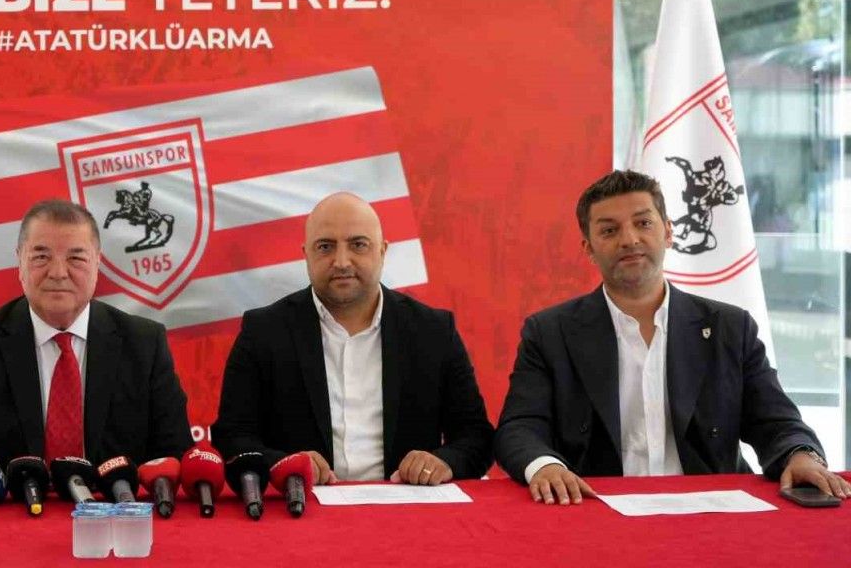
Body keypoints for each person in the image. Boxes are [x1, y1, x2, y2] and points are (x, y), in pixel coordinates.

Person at [495, 170, 849, 505]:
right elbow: (520, 427)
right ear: (588, 248)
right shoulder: (550, 333)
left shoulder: (729, 327)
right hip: (595, 507)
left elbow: (776, 421)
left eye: (643, 223)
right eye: (609, 230)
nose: (629, 239)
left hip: (710, 508)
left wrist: (800, 455)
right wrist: (546, 466)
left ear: (668, 232)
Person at [212, 192, 493, 484]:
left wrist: (444, 462)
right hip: (303, 504)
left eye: (358, 244)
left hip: (408, 504)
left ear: (382, 251)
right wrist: (283, 465)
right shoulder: (264, 332)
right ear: (306, 254)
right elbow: (232, 437)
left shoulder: (433, 331)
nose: (342, 261)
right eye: (325, 246)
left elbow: (476, 437)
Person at [0, 199, 193, 483]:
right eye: (41, 257)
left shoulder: (144, 343)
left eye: (75, 258)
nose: (58, 273)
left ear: (97, 263)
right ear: (20, 261)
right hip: (16, 509)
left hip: (116, 507)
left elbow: (174, 458)